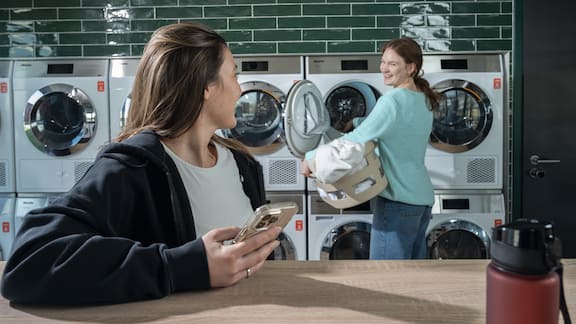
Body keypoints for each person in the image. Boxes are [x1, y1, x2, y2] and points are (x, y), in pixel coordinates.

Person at [1, 22, 282, 305]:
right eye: (234, 74)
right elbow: (29, 262)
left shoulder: (242, 164)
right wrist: (182, 267)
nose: (238, 89)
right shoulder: (131, 167)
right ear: (206, 87)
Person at [302, 38, 441, 260]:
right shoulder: (423, 100)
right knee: (413, 277)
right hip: (421, 201)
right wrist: (358, 121)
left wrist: (311, 159)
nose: (384, 68)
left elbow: (353, 143)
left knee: (386, 278)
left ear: (411, 67)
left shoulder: (392, 101)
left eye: (393, 64)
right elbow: (397, 129)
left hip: (398, 201)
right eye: (383, 62)